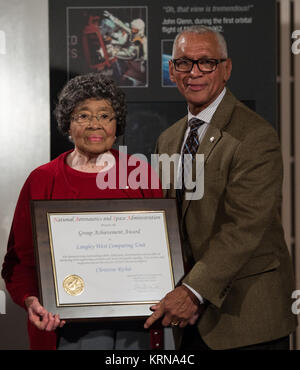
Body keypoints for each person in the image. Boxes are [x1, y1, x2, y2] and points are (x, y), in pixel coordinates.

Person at [144, 26, 298, 350]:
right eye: (184, 63)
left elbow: (244, 228)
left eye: (206, 63)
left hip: (246, 320)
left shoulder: (254, 136)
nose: (194, 72)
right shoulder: (168, 139)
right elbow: (167, 220)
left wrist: (192, 291)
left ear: (226, 69)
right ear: (171, 71)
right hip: (190, 320)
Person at [1, 72, 162, 350]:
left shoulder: (141, 175)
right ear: (67, 124)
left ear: (117, 123)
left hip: (134, 326)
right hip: (63, 327)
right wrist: (31, 300)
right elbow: (19, 261)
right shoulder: (42, 179)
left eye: (105, 115)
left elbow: (164, 252)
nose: (95, 125)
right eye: (83, 116)